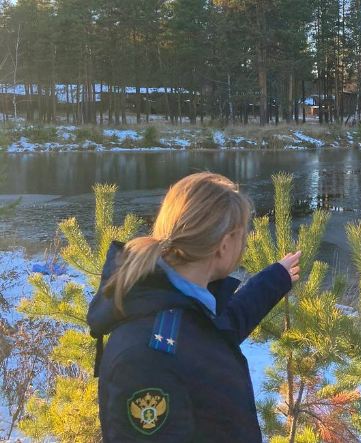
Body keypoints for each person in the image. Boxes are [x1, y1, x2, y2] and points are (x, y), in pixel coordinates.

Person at [87, 172, 301, 442]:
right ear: (224, 246)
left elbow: (219, 331)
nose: (245, 244)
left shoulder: (169, 301)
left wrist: (275, 278)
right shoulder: (148, 358)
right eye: (242, 236)